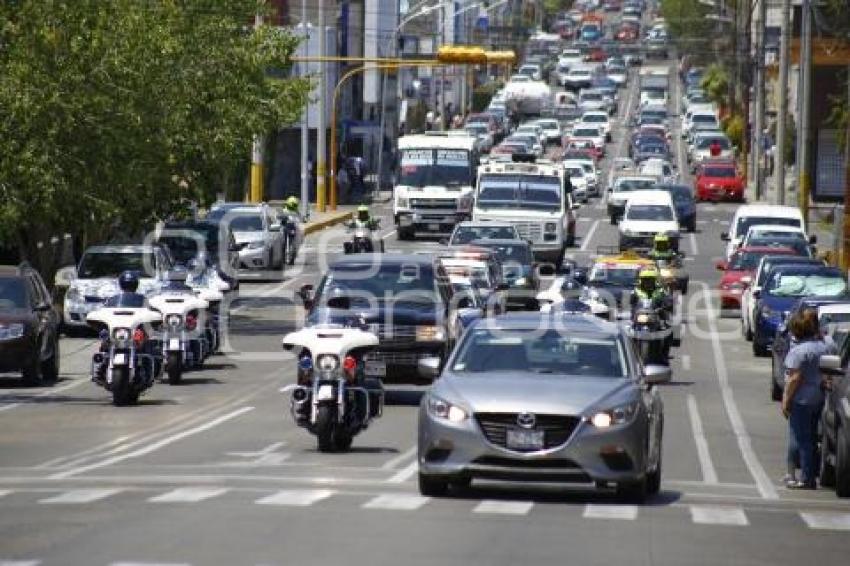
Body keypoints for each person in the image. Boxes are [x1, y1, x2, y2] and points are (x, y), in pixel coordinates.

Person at [782, 308, 836, 489]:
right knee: (812, 438)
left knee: (802, 439)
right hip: (819, 398)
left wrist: (786, 401)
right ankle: (810, 474)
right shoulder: (825, 347)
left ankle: (806, 478)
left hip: (801, 400)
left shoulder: (798, 352)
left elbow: (794, 379)